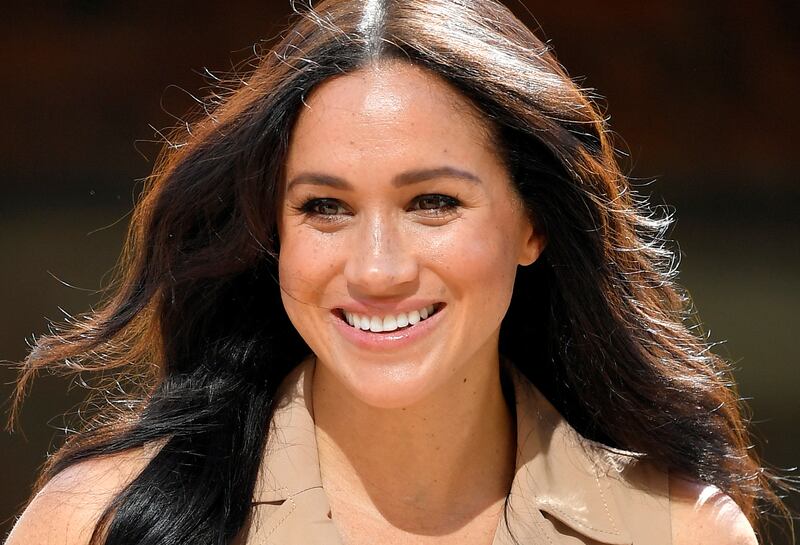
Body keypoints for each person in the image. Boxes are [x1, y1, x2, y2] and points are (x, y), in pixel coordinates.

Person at [5, 0, 787, 544]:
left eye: (433, 202)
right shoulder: (103, 522)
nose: (377, 268)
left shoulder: (682, 531)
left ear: (533, 223)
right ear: (272, 232)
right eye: (325, 208)